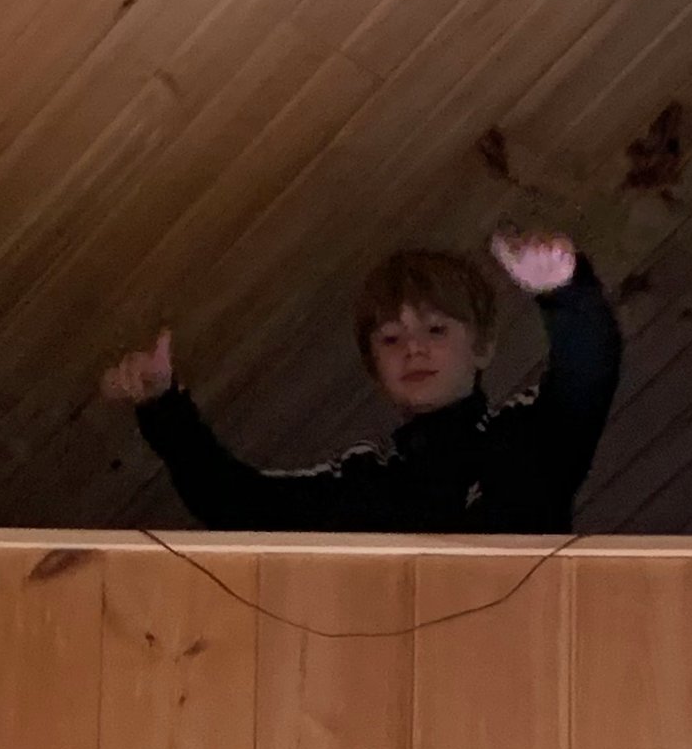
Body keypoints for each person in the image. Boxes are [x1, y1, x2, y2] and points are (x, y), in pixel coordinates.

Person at [101, 225, 621, 533]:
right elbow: (236, 502)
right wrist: (164, 406)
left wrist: (564, 290)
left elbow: (589, 369)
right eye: (391, 338)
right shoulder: (366, 485)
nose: (413, 348)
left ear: (482, 346)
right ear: (375, 369)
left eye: (436, 329)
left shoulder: (530, 444)